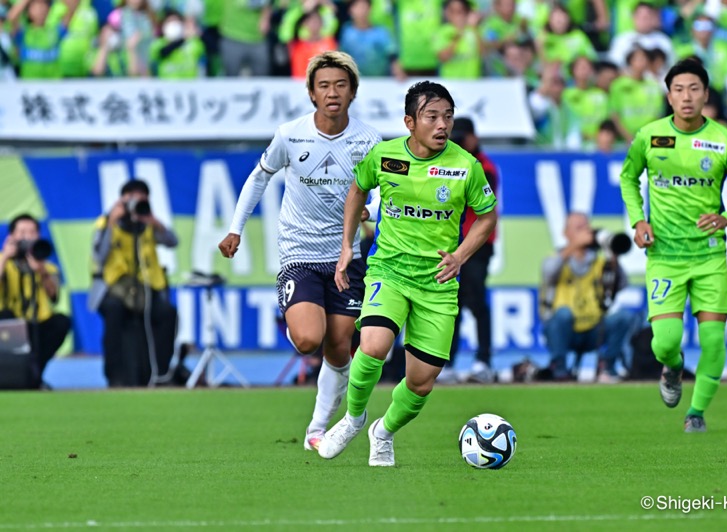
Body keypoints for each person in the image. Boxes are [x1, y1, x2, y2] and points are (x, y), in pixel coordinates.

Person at [318, 81, 498, 466]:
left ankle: (382, 432)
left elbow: (486, 217)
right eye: (432, 116)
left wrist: (461, 256)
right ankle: (352, 418)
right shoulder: (383, 156)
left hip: (437, 283)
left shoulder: (465, 166)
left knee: (421, 382)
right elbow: (357, 191)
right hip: (390, 271)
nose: (442, 125)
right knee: (374, 347)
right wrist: (347, 245)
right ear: (409, 121)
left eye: (447, 116)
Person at [218, 51, 382, 452]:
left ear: (353, 92)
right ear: (311, 93)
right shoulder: (290, 134)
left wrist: (370, 211)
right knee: (310, 339)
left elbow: (381, 195)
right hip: (299, 253)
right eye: (324, 85)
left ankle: (317, 426)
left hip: (346, 256)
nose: (332, 93)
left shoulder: (369, 140)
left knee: (340, 347)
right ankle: (296, 317)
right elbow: (260, 177)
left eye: (341, 85)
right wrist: (235, 229)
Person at [619, 59, 727, 432]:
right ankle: (672, 367)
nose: (686, 96)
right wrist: (638, 221)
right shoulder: (649, 136)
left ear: (705, 95)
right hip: (665, 256)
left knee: (714, 340)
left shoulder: (723, 140)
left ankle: (696, 413)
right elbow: (628, 178)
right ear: (669, 97)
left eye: (694, 89)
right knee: (664, 343)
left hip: (709, 255)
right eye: (679, 89)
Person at [89, 179, 179, 388]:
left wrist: (154, 221)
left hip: (147, 288)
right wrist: (112, 222)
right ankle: (115, 376)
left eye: (142, 199)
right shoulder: (106, 224)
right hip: (115, 289)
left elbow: (172, 242)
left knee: (167, 313)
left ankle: (161, 374)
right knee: (114, 313)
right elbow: (99, 256)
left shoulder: (146, 223)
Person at [540, 212, 634, 383]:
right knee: (562, 315)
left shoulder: (599, 261)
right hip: (564, 330)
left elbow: (622, 284)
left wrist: (612, 257)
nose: (586, 232)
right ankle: (559, 368)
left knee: (623, 318)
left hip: (594, 328)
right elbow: (548, 273)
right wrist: (574, 246)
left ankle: (608, 367)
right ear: (566, 233)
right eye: (579, 228)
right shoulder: (556, 257)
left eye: (586, 227)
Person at [440, 117, 499, 384]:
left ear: (474, 138)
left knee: (477, 302)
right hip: (451, 245)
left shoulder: (483, 167)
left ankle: (483, 361)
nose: (459, 143)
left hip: (477, 245)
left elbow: (471, 194)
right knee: (453, 303)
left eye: (463, 138)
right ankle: (448, 362)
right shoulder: (448, 163)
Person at [0, 214, 71, 389]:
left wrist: (41, 271)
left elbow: (53, 296)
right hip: (9, 323)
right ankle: (11, 376)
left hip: (37, 323)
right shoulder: (4, 261)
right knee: (7, 317)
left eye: (32, 232)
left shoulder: (47, 266)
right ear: (12, 236)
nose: (27, 237)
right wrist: (5, 256)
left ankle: (34, 376)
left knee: (61, 322)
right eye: (22, 232)